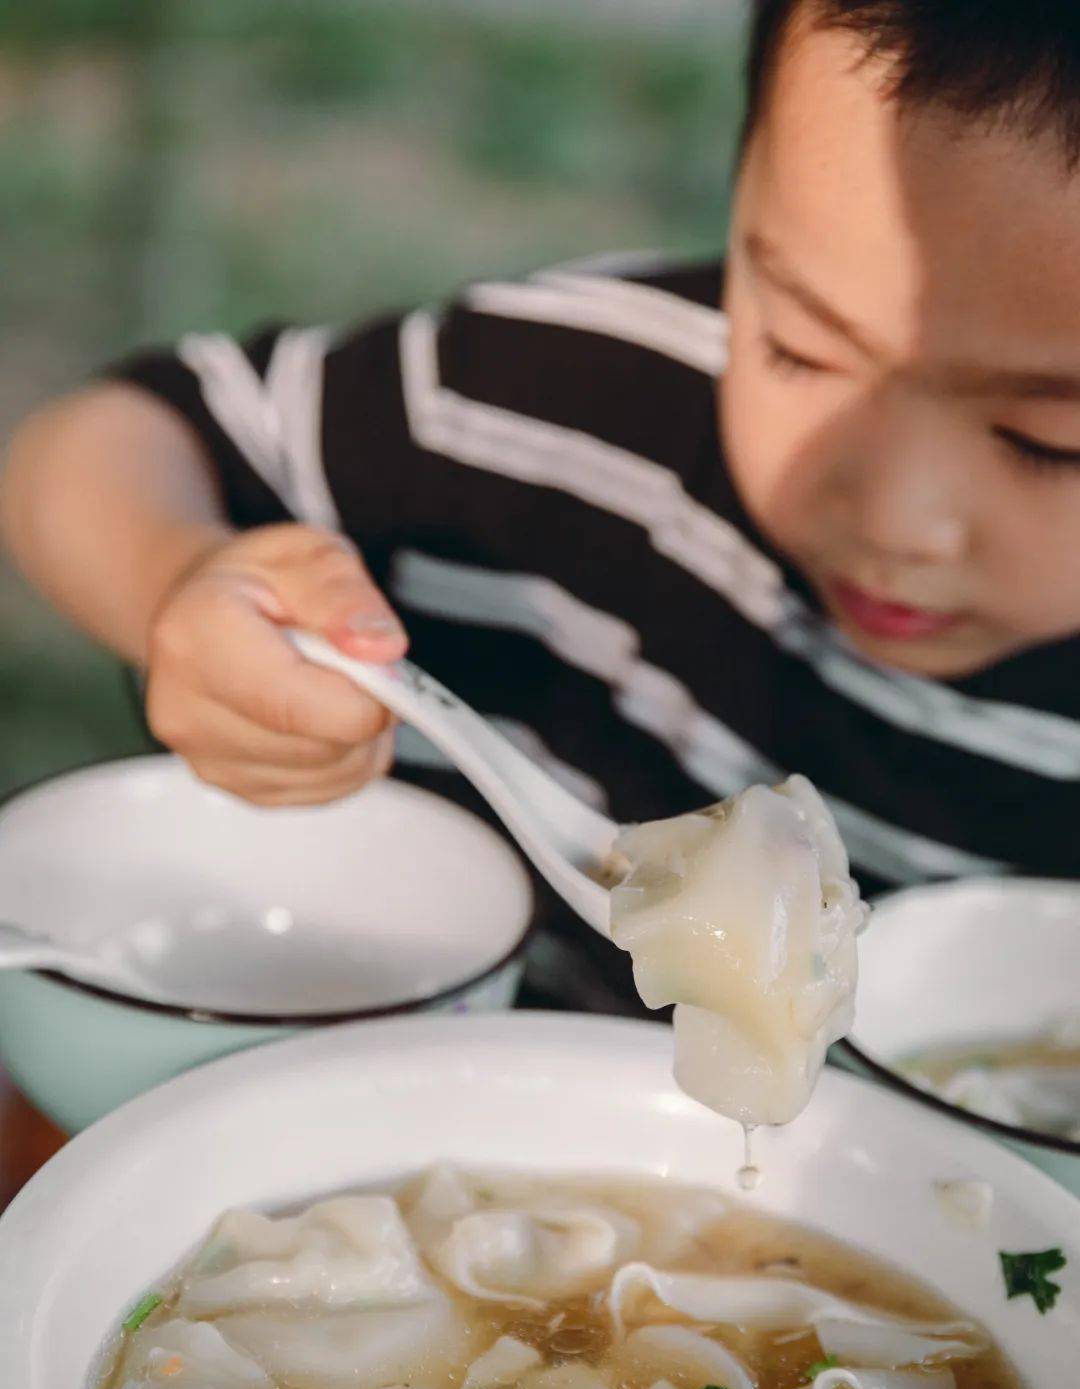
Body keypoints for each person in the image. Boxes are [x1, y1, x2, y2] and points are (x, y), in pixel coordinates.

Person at [4, 0, 1080, 1013]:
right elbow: (110, 440)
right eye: (798, 347)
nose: (894, 516)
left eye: (1048, 444)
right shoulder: (569, 400)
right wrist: (175, 577)